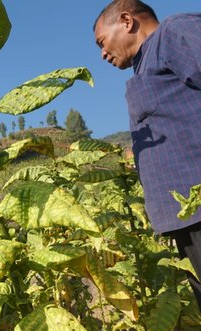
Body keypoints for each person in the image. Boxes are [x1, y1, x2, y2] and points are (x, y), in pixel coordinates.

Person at [93, 1, 201, 305]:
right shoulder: (148, 62)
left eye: (102, 41)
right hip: (187, 217)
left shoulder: (173, 32)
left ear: (126, 20)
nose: (102, 53)